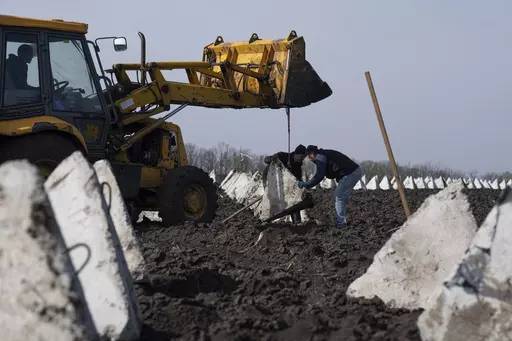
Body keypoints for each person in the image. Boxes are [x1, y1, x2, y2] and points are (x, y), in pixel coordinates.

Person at [297, 145, 362, 228]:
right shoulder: (323, 155)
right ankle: (341, 221)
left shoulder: (320, 157)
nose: (309, 158)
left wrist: (307, 184)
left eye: (308, 155)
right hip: (352, 172)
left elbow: (320, 175)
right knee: (339, 196)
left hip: (351, 173)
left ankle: (341, 224)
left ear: (312, 153)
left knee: (339, 196)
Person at [262, 144, 307, 223]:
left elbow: (298, 180)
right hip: (271, 179)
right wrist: (277, 162)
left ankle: (297, 222)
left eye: (304, 158)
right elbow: (266, 159)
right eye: (302, 157)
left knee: (294, 200)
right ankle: (266, 220)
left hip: (284, 185)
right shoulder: (283, 156)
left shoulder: (297, 168)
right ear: (297, 154)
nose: (302, 159)